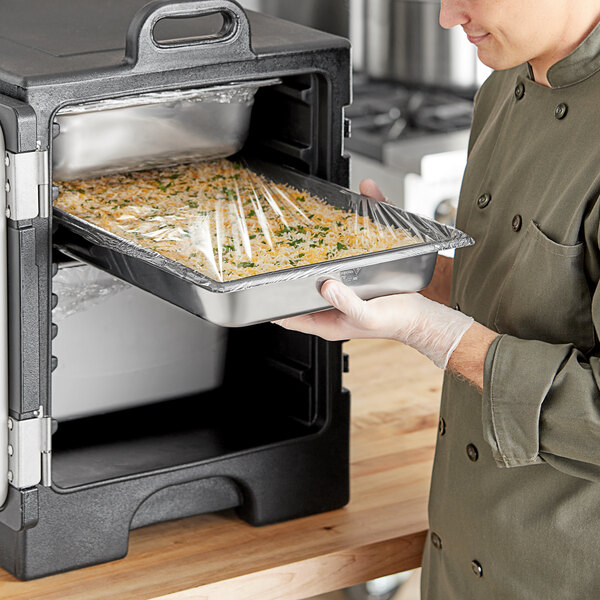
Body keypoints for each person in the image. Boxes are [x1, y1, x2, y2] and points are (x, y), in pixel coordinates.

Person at [275, 1, 600, 598]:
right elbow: (524, 296)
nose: (448, 17)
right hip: (457, 554)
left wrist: (432, 333)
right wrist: (404, 269)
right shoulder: (502, 87)